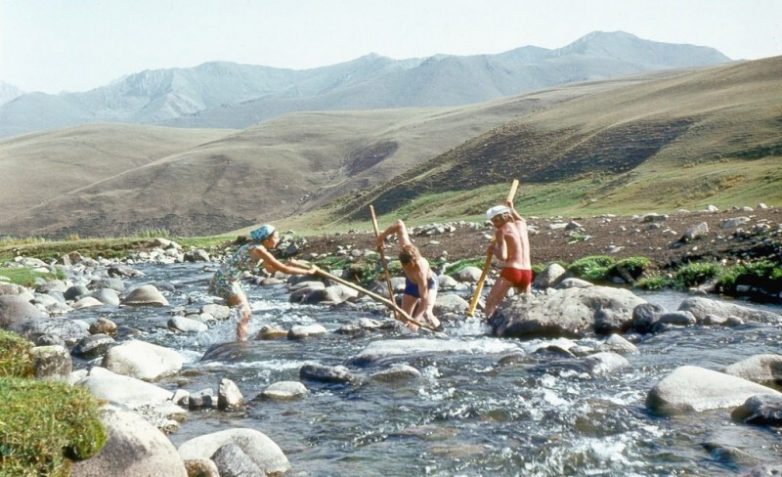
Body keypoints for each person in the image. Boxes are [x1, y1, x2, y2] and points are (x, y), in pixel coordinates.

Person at [209, 224, 316, 341]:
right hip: (226, 280)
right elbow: (284, 270)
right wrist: (309, 272)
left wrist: (289, 264)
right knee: (245, 312)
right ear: (267, 239)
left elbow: (270, 269)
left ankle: (232, 338)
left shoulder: (257, 247)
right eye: (276, 237)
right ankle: (241, 342)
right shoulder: (258, 249)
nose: (278, 240)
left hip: (225, 279)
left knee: (240, 312)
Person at [377, 219, 441, 331]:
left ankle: (442, 334)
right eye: (405, 266)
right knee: (403, 319)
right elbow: (399, 224)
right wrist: (382, 237)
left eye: (410, 266)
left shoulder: (421, 271)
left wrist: (416, 321)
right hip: (411, 284)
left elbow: (424, 299)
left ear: (414, 261)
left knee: (427, 313)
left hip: (429, 283)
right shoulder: (406, 248)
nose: (407, 269)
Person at [483, 199, 532, 318]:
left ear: (503, 217)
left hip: (512, 271)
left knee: (491, 302)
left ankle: (488, 326)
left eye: (496, 221)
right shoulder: (522, 224)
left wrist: (493, 250)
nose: (494, 224)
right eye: (493, 221)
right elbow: (519, 218)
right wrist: (511, 208)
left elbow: (503, 256)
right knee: (526, 305)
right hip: (527, 272)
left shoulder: (501, 231)